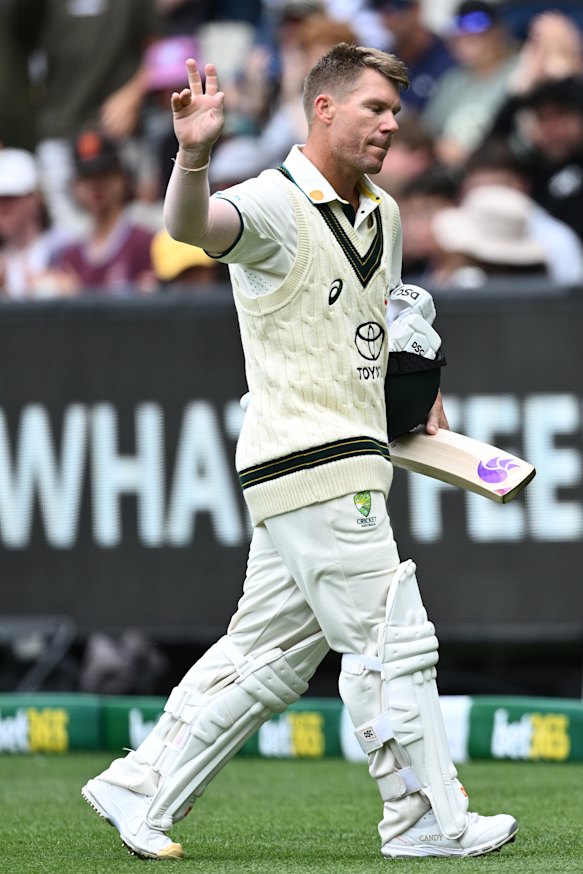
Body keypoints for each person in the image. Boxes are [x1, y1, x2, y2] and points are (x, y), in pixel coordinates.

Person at [81, 44, 518, 861]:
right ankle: (423, 816)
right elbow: (189, 227)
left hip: (347, 454)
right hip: (305, 456)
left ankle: (140, 784)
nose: (390, 124)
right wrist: (193, 156)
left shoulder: (383, 213)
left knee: (269, 656)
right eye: (373, 109)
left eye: (394, 111)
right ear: (323, 109)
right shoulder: (273, 202)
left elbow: (379, 321)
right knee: (392, 634)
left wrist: (419, 400)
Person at [51, 130, 155, 295]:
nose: (95, 185)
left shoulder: (145, 243)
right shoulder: (69, 256)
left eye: (104, 174)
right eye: (86, 177)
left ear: (121, 178)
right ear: (75, 186)